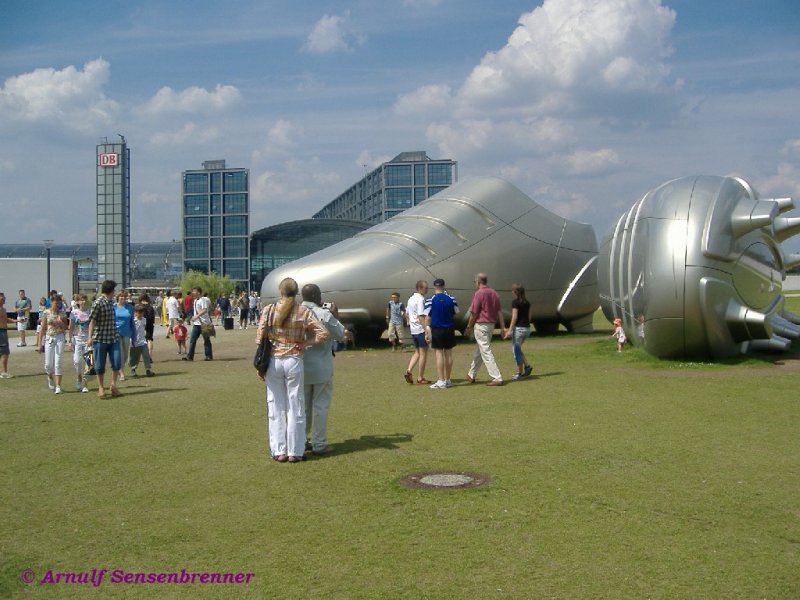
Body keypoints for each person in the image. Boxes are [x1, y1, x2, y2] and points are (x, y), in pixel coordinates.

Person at [255, 277, 328, 463]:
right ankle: (296, 451)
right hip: (294, 359)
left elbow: (259, 338)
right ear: (296, 293)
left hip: (273, 360)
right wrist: (305, 343)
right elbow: (323, 334)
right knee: (296, 405)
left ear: (280, 292)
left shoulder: (269, 310)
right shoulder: (303, 311)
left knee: (276, 405)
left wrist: (261, 365)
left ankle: (279, 450)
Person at [300, 283, 346, 456]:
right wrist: (336, 315)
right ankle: (319, 443)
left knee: (302, 407)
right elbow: (340, 334)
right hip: (321, 367)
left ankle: (301, 440)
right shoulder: (324, 314)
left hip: (301, 365)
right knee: (320, 406)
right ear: (317, 297)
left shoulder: (296, 313)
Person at [465, 273, 506, 386]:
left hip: (481, 325)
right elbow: (499, 312)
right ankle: (471, 374)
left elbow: (474, 313)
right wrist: (502, 327)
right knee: (480, 350)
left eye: (475, 282)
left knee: (485, 351)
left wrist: (469, 326)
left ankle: (497, 377)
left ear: (478, 282)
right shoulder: (494, 293)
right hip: (491, 325)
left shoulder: (479, 293)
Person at [87, 279, 123, 398]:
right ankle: (101, 388)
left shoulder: (111, 302)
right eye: (114, 290)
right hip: (100, 339)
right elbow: (92, 321)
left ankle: (113, 385)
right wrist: (89, 337)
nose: (115, 292)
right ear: (110, 290)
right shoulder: (98, 303)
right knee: (99, 365)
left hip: (113, 338)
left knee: (117, 362)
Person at [428, 278, 459, 389]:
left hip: (437, 329)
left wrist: (427, 330)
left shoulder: (430, 299)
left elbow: (428, 316)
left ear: (434, 287)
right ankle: (448, 379)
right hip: (449, 328)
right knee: (448, 354)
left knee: (439, 354)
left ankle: (441, 380)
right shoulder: (451, 298)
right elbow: (455, 312)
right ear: (444, 286)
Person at [36, 293, 69, 394]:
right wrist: (39, 344)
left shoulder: (62, 313)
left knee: (58, 362)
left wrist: (60, 323)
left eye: (59, 303)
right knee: (48, 364)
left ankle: (58, 386)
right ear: (51, 303)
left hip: (59, 337)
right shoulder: (46, 313)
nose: (57, 305)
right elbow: (42, 328)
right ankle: (50, 376)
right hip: (49, 337)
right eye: (55, 303)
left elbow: (66, 327)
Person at [503, 283, 533, 380]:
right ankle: (527, 366)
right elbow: (529, 317)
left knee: (515, 351)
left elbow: (514, 317)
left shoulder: (515, 302)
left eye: (512, 290)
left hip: (519, 329)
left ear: (516, 292)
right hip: (527, 329)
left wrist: (510, 330)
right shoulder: (527, 302)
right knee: (518, 349)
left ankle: (520, 373)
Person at [404, 280, 431, 385]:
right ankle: (420, 377)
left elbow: (406, 314)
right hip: (420, 329)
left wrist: (411, 322)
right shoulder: (420, 299)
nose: (427, 289)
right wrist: (426, 330)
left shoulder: (411, 298)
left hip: (413, 330)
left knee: (417, 352)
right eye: (426, 288)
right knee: (423, 353)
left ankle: (409, 371)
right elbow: (421, 316)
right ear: (420, 288)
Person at [67, 293, 91, 393]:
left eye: (85, 299)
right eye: (81, 300)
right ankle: (79, 377)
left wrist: (91, 337)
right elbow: (71, 327)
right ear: (78, 302)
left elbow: (92, 326)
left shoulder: (90, 312)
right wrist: (69, 340)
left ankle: (85, 385)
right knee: (77, 361)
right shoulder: (74, 313)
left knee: (88, 363)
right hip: (77, 339)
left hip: (88, 340)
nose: (83, 302)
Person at [183, 287, 213, 361]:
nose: (193, 293)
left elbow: (205, 310)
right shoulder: (195, 300)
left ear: (198, 292)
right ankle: (190, 356)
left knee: (206, 340)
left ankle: (208, 356)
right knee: (192, 340)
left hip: (204, 323)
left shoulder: (203, 300)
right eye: (192, 291)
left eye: (194, 291)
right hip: (196, 324)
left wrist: (196, 316)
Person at [129, 305, 154, 377]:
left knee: (146, 355)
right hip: (134, 343)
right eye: (138, 312)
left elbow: (146, 328)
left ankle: (148, 370)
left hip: (143, 342)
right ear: (135, 312)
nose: (139, 314)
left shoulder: (144, 320)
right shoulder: (133, 321)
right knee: (135, 358)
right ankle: (133, 370)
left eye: (141, 312)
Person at [114, 291, 134, 380]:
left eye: (124, 297)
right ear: (118, 297)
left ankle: (120, 368)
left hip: (127, 332)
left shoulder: (130, 307)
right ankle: (122, 373)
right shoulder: (113, 307)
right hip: (116, 333)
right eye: (121, 296)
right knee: (120, 353)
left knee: (126, 354)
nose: (123, 298)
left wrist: (134, 334)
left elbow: (132, 321)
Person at [0, 292, 17, 378]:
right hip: (1, 332)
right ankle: (4, 373)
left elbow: (6, 319)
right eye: (2, 298)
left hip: (4, 331)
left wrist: (16, 321)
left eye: (4, 298)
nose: (3, 299)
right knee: (4, 352)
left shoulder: (3, 309)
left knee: (3, 352)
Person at [138, 293, 156, 358]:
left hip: (141, 323)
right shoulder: (151, 307)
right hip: (150, 324)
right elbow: (152, 317)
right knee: (149, 339)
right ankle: (150, 356)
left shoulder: (140, 306)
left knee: (139, 339)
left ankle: (138, 356)